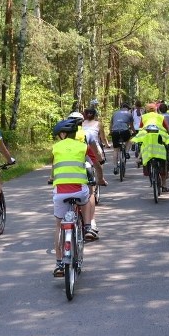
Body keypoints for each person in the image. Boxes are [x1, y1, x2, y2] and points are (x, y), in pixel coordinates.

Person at [50, 118, 101, 277]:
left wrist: (52, 178)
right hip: (79, 189)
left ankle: (59, 263)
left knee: (59, 225)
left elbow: (54, 168)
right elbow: (92, 164)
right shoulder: (83, 146)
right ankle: (87, 226)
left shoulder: (56, 147)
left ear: (63, 134)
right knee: (87, 197)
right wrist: (96, 178)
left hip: (60, 191)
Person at [131, 124, 169, 193]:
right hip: (160, 156)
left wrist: (138, 158)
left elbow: (136, 142)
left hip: (148, 156)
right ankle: (164, 185)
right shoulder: (162, 133)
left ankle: (151, 176)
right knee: (163, 170)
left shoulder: (144, 135)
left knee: (148, 166)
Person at [109, 103, 135, 175]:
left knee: (116, 150)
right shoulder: (129, 114)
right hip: (125, 131)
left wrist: (110, 131)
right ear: (127, 108)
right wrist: (135, 132)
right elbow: (131, 126)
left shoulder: (115, 113)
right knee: (130, 139)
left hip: (115, 132)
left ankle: (115, 167)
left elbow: (111, 124)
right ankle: (126, 152)